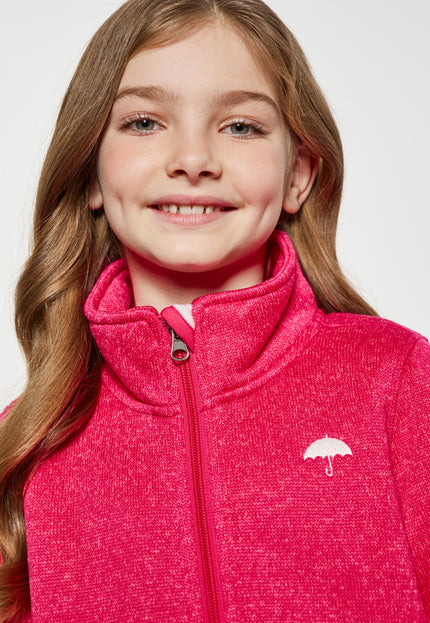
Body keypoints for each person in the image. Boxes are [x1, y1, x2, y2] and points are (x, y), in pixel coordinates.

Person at [0, 0, 429, 621]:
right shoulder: (28, 443)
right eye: (144, 122)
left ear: (299, 175)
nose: (194, 159)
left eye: (241, 127)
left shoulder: (396, 378)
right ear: (90, 172)